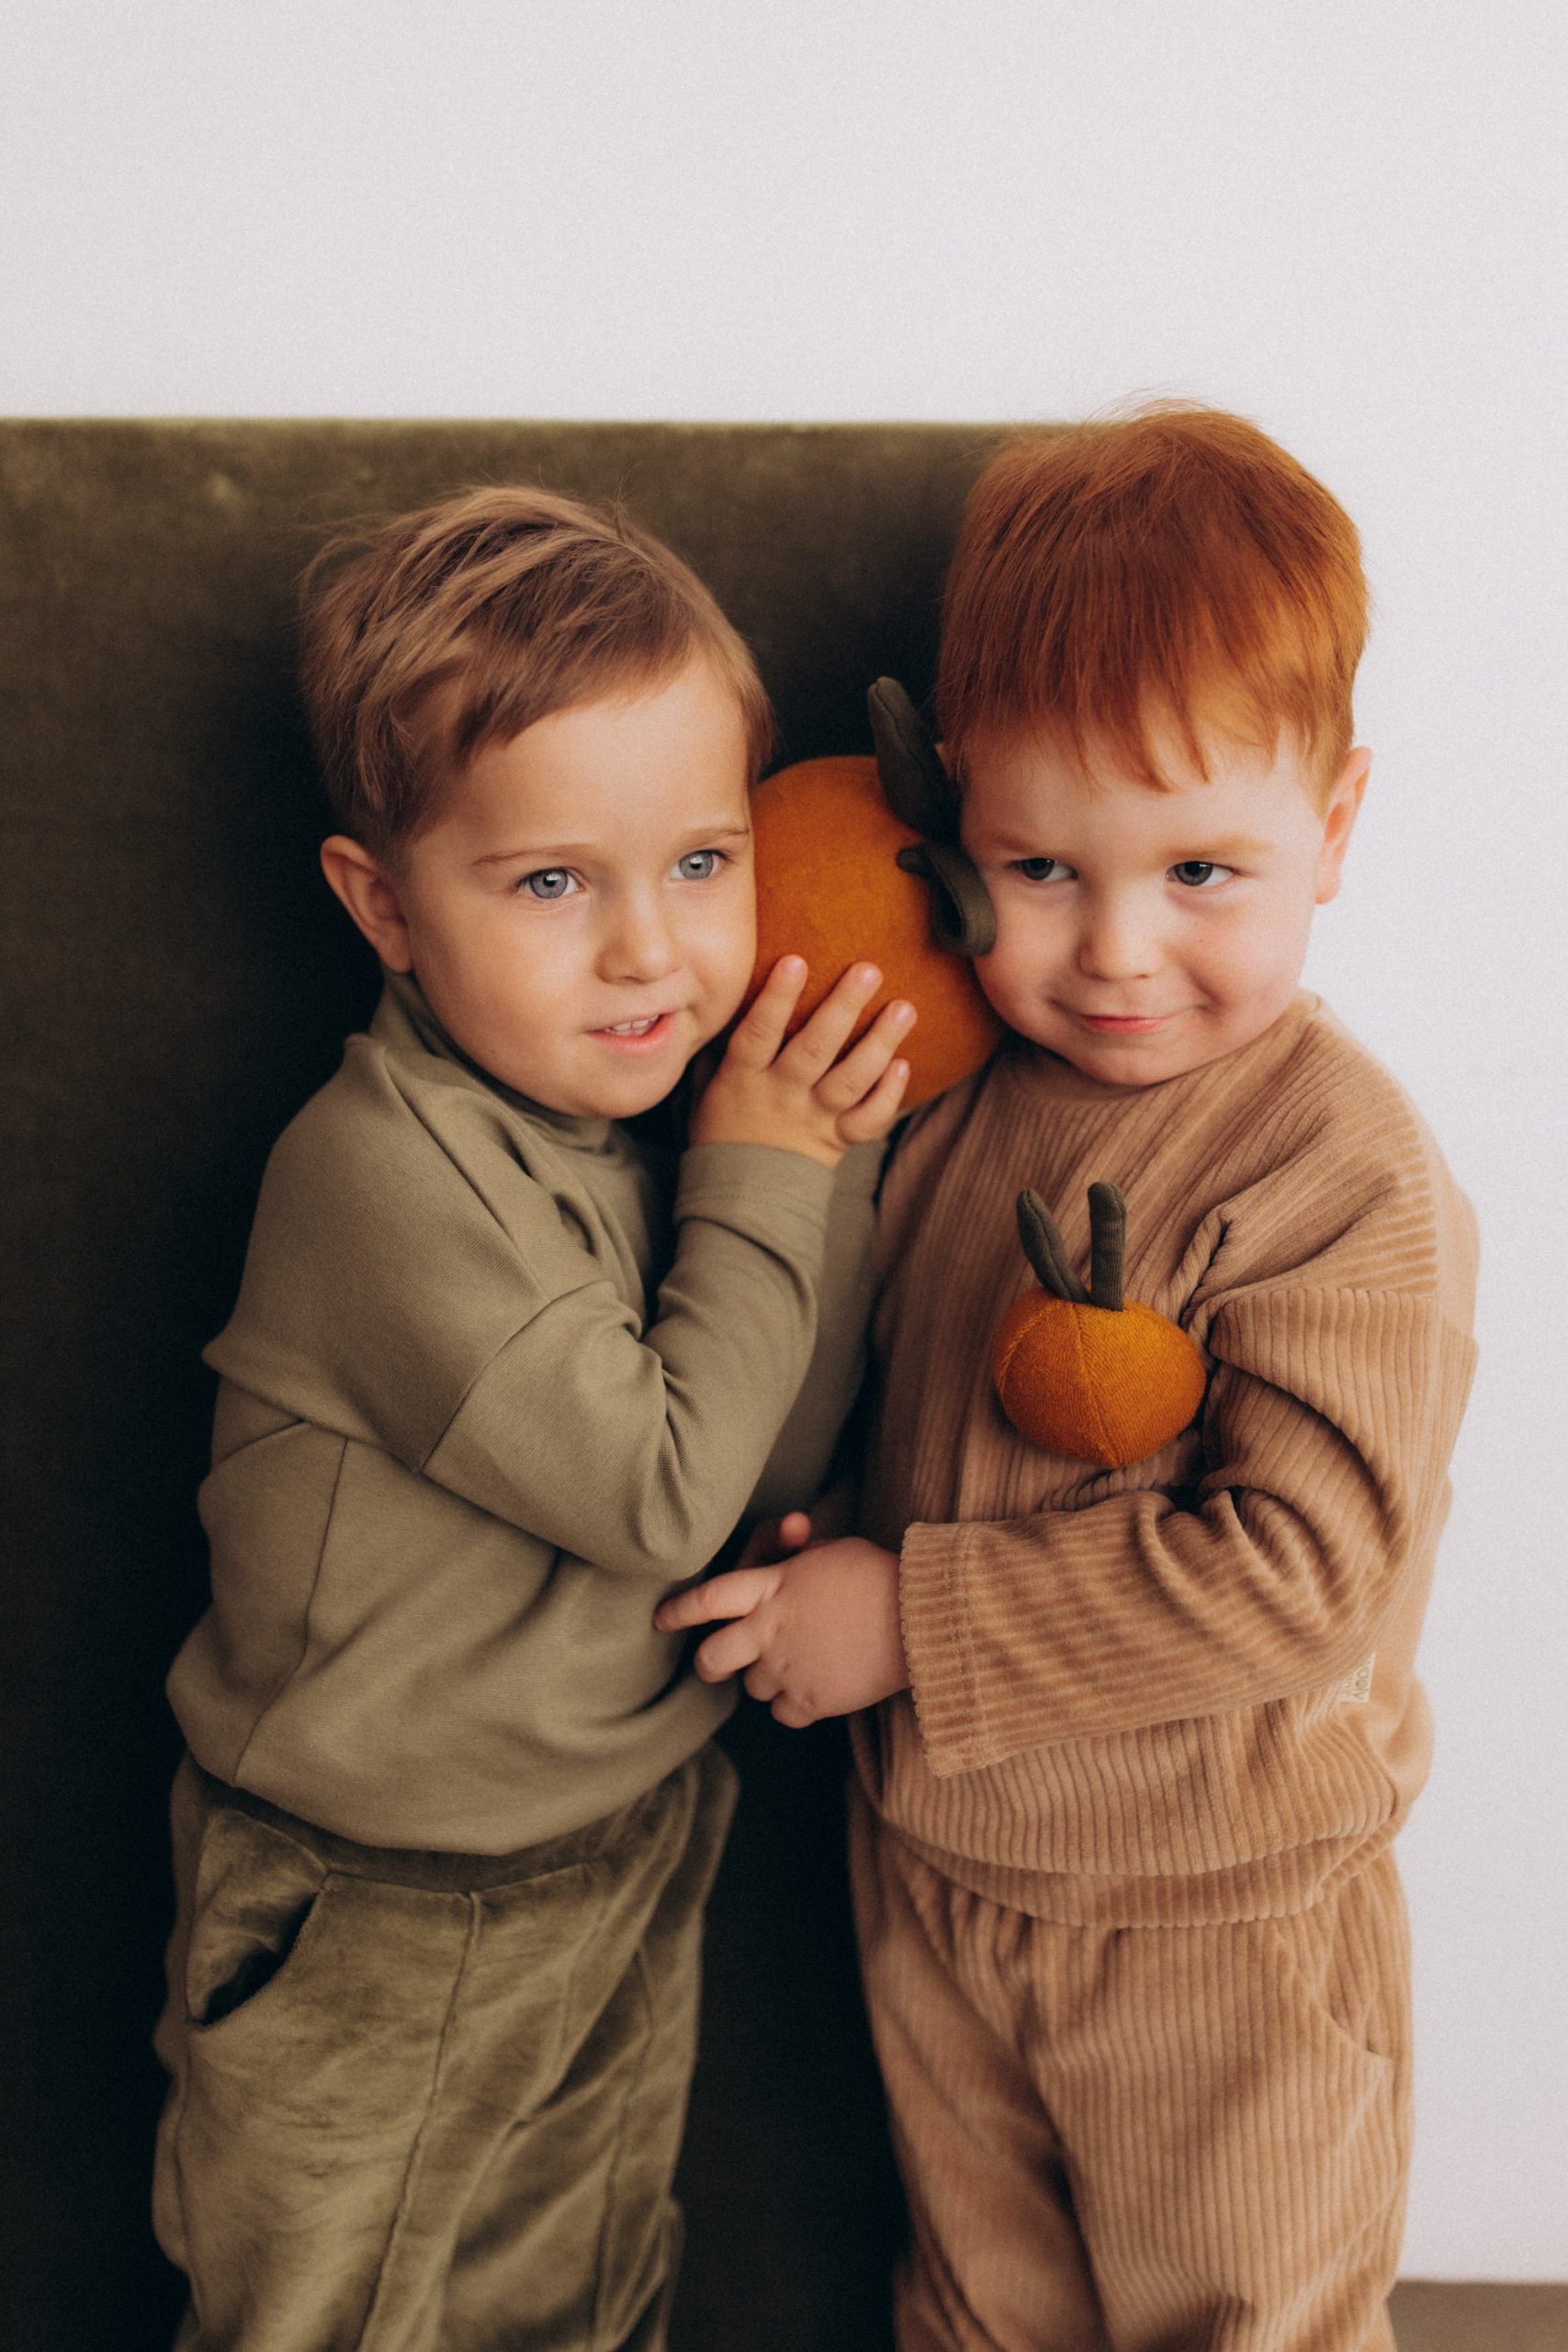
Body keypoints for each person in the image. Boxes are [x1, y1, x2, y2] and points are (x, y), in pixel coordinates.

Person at [659, 406, 1479, 2351]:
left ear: (1332, 828)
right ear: (955, 827)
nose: (1113, 952)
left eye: (1201, 869)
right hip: (944, 1868)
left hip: (1218, 1909)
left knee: (1247, 2313)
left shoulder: (1338, 1168)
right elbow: (901, 1392)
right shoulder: (958, 1095)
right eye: (1038, 866)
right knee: (976, 2307)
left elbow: (1304, 1572)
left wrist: (907, 1614)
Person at [152, 484, 915, 2351]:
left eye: (702, 861)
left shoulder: (651, 1130)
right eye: (552, 882)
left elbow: (761, 1461)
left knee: (578, 2291)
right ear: (384, 906)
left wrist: (821, 1171)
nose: (651, 949)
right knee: (326, 2314)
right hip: (375, 1895)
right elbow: (660, 1491)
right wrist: (763, 1167)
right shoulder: (378, 1176)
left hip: (621, 1826)